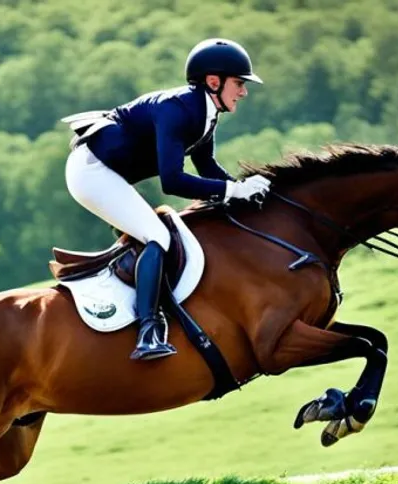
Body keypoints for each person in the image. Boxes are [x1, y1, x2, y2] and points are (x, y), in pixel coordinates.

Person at [62, 38, 272, 361]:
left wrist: (244, 191)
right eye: (239, 83)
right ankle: (147, 331)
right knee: (157, 236)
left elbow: (207, 168)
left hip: (108, 172)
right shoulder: (177, 110)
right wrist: (233, 191)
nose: (243, 92)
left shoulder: (206, 113)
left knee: (155, 232)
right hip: (90, 170)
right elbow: (172, 180)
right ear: (213, 82)